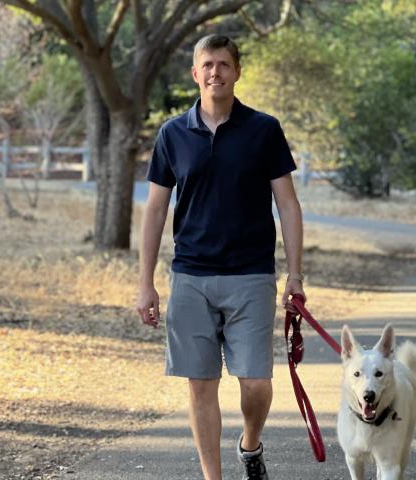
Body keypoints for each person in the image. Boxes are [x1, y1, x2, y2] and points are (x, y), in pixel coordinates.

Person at [136, 34, 305, 480]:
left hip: (250, 275)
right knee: (201, 385)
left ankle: (250, 444)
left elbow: (287, 204)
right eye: (207, 65)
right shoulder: (172, 133)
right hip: (190, 275)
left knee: (256, 384)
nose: (215, 72)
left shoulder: (263, 129)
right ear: (195, 73)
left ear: (237, 71)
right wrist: (145, 282)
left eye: (224, 64)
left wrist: (295, 275)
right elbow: (155, 209)